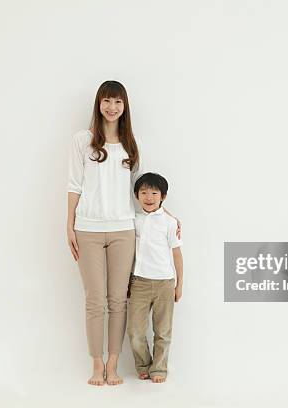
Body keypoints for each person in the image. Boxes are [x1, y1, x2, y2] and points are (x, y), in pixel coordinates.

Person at [66, 81, 180, 386]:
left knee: (118, 300)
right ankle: (96, 365)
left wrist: (165, 213)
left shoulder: (132, 144)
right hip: (87, 228)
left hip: (123, 230)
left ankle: (113, 366)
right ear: (98, 104)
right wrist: (69, 225)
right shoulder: (82, 140)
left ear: (124, 106)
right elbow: (74, 184)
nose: (111, 107)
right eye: (106, 101)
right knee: (94, 300)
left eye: (117, 102)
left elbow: (139, 191)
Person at [127, 172, 184, 383]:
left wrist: (179, 285)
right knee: (135, 332)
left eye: (154, 192)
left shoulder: (169, 223)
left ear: (163, 197)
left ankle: (159, 369)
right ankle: (143, 364)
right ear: (136, 195)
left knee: (163, 331)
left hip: (165, 283)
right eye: (143, 192)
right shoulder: (133, 219)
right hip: (139, 282)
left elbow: (177, 255)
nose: (149, 197)